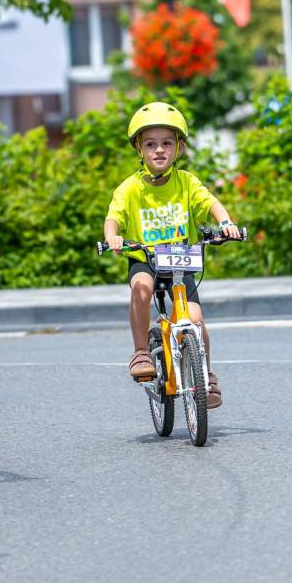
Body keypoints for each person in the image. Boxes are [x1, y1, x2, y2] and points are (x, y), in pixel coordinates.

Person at [103, 102, 240, 409]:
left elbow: (211, 203)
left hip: (180, 258)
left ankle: (205, 376)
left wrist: (226, 223)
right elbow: (114, 217)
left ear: (179, 147)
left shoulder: (187, 182)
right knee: (141, 287)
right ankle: (140, 351)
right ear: (139, 149)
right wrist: (113, 236)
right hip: (145, 258)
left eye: (167, 143)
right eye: (150, 144)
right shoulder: (130, 188)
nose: (159, 150)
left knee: (195, 319)